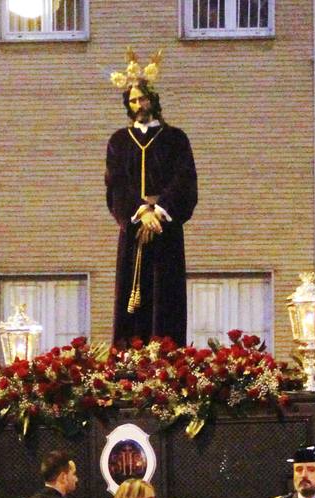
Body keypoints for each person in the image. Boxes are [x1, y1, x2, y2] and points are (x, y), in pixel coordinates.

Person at [106, 49, 197, 344]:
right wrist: (140, 212)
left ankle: (167, 360)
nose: (139, 105)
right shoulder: (119, 142)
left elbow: (185, 180)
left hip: (165, 230)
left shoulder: (175, 138)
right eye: (133, 100)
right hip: (134, 231)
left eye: (143, 99)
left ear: (153, 100)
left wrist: (158, 211)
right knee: (132, 300)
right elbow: (116, 184)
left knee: (165, 295)